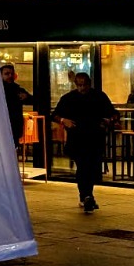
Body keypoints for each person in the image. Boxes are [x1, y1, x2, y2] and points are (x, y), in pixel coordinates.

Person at [53, 71, 118, 211]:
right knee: (83, 167)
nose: (82, 88)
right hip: (77, 138)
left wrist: (108, 120)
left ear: (89, 84)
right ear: (76, 85)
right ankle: (87, 195)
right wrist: (64, 121)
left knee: (91, 167)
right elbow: (55, 115)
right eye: (80, 85)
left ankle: (86, 195)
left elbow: (113, 113)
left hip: (95, 137)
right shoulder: (69, 98)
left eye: (85, 85)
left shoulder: (99, 97)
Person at [0, 63, 32, 150]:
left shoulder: (17, 89)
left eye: (11, 74)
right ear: (0, 75)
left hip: (14, 129)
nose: (10, 76)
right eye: (7, 74)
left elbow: (33, 100)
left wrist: (26, 97)